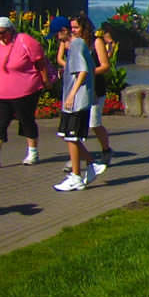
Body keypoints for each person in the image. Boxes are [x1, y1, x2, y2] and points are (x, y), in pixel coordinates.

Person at [0, 16, 51, 169]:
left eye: (2, 32)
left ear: (11, 30)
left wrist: (45, 81)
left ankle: (32, 152)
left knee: (26, 120)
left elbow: (40, 62)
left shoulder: (25, 41)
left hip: (24, 90)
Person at [54, 14, 107, 191]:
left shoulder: (77, 44)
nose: (56, 38)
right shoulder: (76, 45)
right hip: (73, 99)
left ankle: (76, 176)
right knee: (68, 137)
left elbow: (84, 71)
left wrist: (72, 95)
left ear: (63, 31)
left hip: (77, 100)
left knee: (72, 136)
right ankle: (92, 164)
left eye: (57, 33)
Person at [88, 21, 116, 167]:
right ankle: (76, 156)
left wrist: (87, 73)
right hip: (78, 89)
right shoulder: (73, 42)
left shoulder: (96, 42)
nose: (73, 30)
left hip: (95, 88)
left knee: (94, 123)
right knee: (76, 125)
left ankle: (106, 150)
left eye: (76, 27)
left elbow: (105, 65)